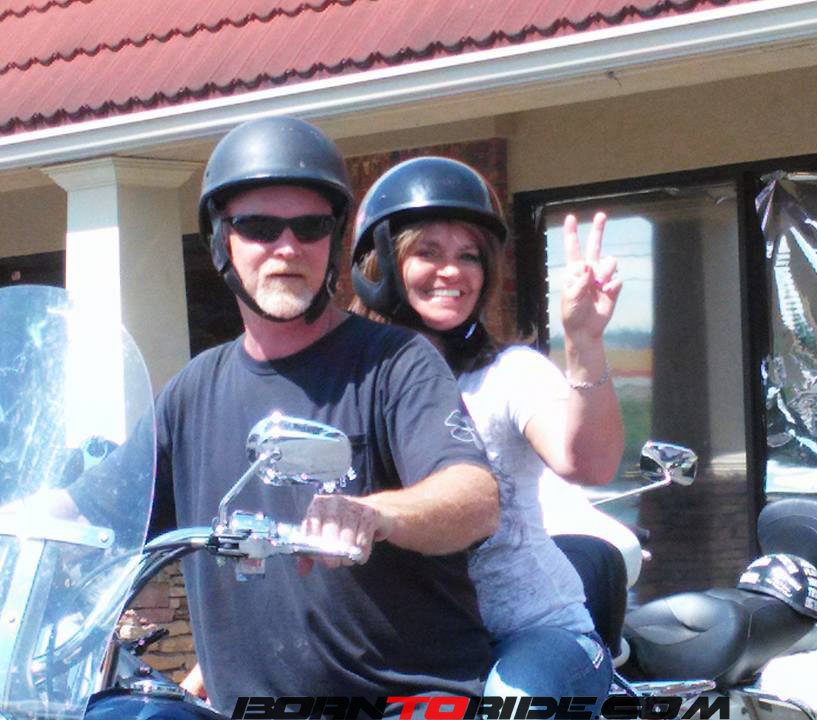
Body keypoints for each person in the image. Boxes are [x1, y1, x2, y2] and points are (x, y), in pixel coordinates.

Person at [94, 118, 500, 713]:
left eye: (310, 227)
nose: (287, 247)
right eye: (260, 227)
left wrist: (375, 514)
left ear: (332, 241)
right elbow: (98, 506)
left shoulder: (395, 363)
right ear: (221, 241)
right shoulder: (192, 392)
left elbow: (473, 494)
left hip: (403, 701)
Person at [349, 156, 624, 701]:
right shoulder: (346, 385)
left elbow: (588, 462)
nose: (452, 271)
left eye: (468, 255)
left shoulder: (507, 374)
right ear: (380, 263)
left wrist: (585, 343)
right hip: (414, 655)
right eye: (428, 252)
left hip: (533, 635)